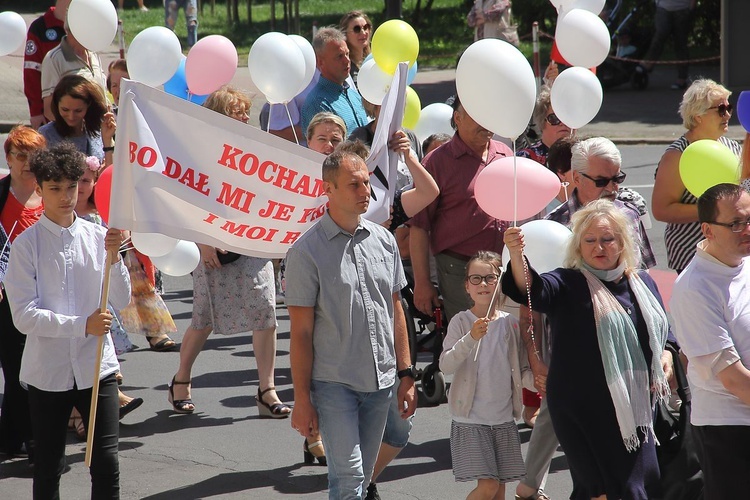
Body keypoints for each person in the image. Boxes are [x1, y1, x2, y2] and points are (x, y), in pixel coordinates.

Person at [503, 199, 673, 500]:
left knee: (641, 486)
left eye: (607, 239)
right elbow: (533, 291)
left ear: (622, 242)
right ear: (578, 246)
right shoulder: (567, 283)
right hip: (582, 412)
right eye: (590, 240)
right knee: (600, 491)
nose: (599, 247)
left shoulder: (642, 281)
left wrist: (668, 353)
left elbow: (665, 331)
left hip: (637, 413)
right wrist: (517, 255)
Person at [286, 150, 417, 499]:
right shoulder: (305, 252)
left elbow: (396, 309)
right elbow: (299, 333)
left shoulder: (384, 240)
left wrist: (406, 373)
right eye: (353, 184)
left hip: (381, 381)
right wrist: (301, 399)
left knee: (361, 479)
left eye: (366, 182)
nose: (365, 191)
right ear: (327, 189)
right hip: (334, 383)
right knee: (348, 477)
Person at [5, 142, 131, 499]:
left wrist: (116, 257)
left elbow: (120, 300)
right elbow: (24, 316)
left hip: (97, 366)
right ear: (40, 188)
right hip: (48, 371)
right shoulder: (26, 245)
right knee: (48, 466)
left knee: (106, 461)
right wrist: (81, 325)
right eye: (55, 188)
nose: (65, 196)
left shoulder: (97, 237)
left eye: (72, 187)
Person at [169, 86, 289, 422]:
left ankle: (267, 390)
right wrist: (202, 241)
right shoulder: (197, 153)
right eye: (236, 112)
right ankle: (181, 379)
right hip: (212, 244)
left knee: (266, 308)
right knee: (204, 319)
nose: (243, 118)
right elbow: (186, 199)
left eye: (245, 113)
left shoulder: (254, 152)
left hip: (250, 243)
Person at [670, 183, 750, 499]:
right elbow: (732, 378)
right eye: (735, 223)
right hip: (729, 432)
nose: (746, 229)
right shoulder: (695, 288)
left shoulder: (743, 263)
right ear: (708, 229)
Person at [410, 94, 513, 322]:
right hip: (459, 269)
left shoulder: (505, 155)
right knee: (470, 341)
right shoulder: (436, 163)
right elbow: (418, 228)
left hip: (503, 265)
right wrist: (423, 283)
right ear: (457, 118)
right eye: (477, 117)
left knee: (501, 341)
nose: (486, 123)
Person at [440, 251, 534, 500]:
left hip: (503, 420)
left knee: (499, 491)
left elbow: (522, 370)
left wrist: (544, 385)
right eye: (476, 279)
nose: (483, 284)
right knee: (489, 486)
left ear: (500, 283)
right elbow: (446, 365)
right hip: (472, 421)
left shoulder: (509, 324)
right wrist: (470, 337)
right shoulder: (461, 321)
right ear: (466, 287)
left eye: (490, 278)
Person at [652, 79, 741, 274]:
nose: (727, 114)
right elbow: (661, 209)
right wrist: (714, 212)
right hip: (691, 252)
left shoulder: (732, 147)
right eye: (720, 109)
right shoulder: (677, 155)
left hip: (730, 250)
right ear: (698, 115)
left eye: (729, 107)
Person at [0, 127, 46, 461]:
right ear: (8, 159)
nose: (26, 163)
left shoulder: (52, 194)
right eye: (19, 156)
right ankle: (29, 437)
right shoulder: (1, 194)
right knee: (16, 368)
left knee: (38, 368)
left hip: (45, 294)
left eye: (32, 156)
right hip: (6, 298)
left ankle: (12, 434)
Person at [300, 27, 368, 138]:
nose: (347, 60)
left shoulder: (353, 94)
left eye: (347, 54)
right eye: (339, 56)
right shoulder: (317, 103)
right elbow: (324, 151)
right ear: (320, 62)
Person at [39, 75, 116, 165]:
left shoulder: (98, 131)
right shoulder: (46, 134)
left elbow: (109, 172)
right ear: (57, 104)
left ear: (88, 105)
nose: (71, 116)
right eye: (65, 110)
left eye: (78, 111)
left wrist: (107, 140)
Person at [41, 21, 107, 124]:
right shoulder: (54, 58)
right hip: (74, 136)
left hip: (101, 133)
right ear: (71, 31)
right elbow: (49, 109)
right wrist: (75, 133)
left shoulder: (93, 54)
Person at [23, 0, 70, 130]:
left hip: (78, 114)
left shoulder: (83, 26)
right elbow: (31, 73)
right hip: (50, 116)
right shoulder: (39, 27)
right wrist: (36, 112)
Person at [637, 0, 695, 90]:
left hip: (683, 8)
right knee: (660, 34)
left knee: (681, 43)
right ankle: (649, 63)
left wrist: (691, 7)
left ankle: (682, 78)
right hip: (663, 7)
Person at [517, 86, 572, 168]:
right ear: (542, 121)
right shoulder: (525, 158)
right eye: (554, 118)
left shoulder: (585, 156)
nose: (563, 123)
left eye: (567, 117)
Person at [339, 11, 373, 86]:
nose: (363, 33)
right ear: (345, 34)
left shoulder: (372, 61)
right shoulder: (345, 66)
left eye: (365, 27)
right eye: (356, 29)